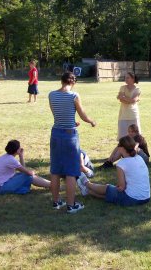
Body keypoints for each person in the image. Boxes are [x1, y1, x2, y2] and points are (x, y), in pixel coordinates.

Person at [49, 72, 96, 213]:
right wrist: (91, 121)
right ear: (73, 82)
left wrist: (70, 121)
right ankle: (71, 205)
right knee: (71, 171)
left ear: (61, 81)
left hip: (56, 133)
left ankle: (56, 202)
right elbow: (82, 115)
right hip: (70, 136)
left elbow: (57, 114)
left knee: (55, 170)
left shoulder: (51, 95)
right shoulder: (74, 95)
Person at [77, 136, 150, 206]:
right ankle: (88, 191)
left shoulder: (122, 163)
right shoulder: (139, 158)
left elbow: (122, 187)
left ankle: (87, 184)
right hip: (146, 198)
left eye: (118, 145)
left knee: (108, 188)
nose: (117, 147)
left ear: (122, 148)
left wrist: (116, 187)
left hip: (132, 198)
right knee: (112, 193)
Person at [117, 72, 141, 140]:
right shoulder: (122, 87)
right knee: (123, 136)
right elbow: (120, 99)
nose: (126, 79)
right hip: (123, 115)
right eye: (125, 78)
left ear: (133, 79)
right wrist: (129, 100)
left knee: (135, 136)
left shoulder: (137, 89)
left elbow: (133, 100)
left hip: (133, 114)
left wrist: (123, 97)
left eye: (128, 78)